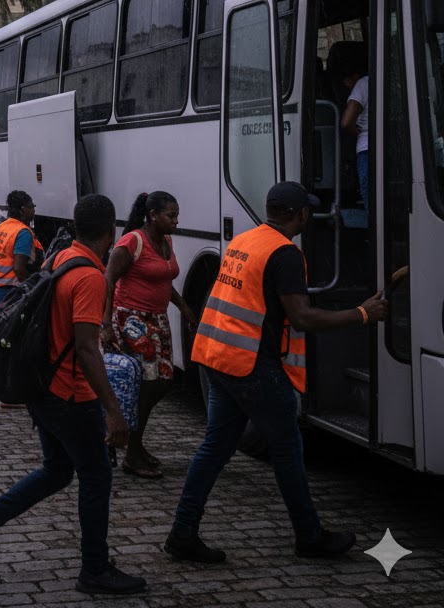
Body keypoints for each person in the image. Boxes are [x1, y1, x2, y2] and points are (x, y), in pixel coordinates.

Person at [166, 181, 389, 563]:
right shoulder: (285, 254)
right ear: (299, 214)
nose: (309, 216)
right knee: (287, 449)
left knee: (215, 448)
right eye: (308, 210)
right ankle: (309, 536)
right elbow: (302, 317)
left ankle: (182, 533)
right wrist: (363, 313)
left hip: (217, 358)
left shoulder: (245, 241)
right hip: (251, 367)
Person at [0, 194, 146, 596]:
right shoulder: (90, 277)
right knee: (96, 476)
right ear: (112, 232)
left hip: (43, 385)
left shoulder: (61, 259)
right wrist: (113, 411)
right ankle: (94, 569)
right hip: (71, 395)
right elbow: (88, 349)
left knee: (57, 471)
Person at [102, 190, 195, 479]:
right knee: (148, 383)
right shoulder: (133, 241)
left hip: (158, 319)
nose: (176, 221)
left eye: (177, 215)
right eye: (171, 216)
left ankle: (135, 443)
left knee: (164, 382)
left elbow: (164, 280)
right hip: (131, 320)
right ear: (153, 215)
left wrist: (184, 308)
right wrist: (105, 323)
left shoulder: (165, 241)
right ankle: (132, 451)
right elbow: (107, 280)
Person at [0, 190, 38, 310]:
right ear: (22, 210)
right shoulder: (23, 233)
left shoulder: (1, 227)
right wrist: (32, 288)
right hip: (10, 292)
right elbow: (19, 269)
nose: (34, 210)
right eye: (31, 206)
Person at [340, 62, 370, 210]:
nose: (346, 85)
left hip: (366, 148)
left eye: (347, 79)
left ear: (356, 76)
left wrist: (356, 132)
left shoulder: (362, 83)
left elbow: (346, 122)